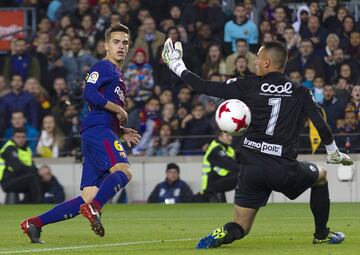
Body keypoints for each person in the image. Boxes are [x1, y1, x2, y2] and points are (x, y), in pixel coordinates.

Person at [162, 39, 353, 248]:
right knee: (322, 176)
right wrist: (333, 152)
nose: (255, 63)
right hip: (282, 168)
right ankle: (321, 234)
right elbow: (321, 125)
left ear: (267, 63)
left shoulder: (248, 85)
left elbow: (204, 86)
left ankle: (223, 232)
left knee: (240, 226)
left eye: (258, 59)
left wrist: (176, 65)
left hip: (250, 168)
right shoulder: (300, 92)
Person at [20, 22, 141, 244]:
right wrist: (120, 110)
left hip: (99, 130)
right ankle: (95, 209)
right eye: (116, 42)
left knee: (88, 195)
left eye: (125, 42)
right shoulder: (103, 67)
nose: (121, 46)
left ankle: (34, 224)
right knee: (124, 171)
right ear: (106, 46)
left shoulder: (117, 73)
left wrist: (121, 129)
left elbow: (101, 107)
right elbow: (90, 93)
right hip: (98, 130)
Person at [0, 127, 42, 204]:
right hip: (7, 181)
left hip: (19, 178)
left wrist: (39, 172)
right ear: (13, 137)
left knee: (41, 176)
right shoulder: (9, 149)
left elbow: (31, 166)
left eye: (23, 137)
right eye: (18, 137)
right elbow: (17, 168)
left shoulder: (27, 150)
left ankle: (29, 204)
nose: (21, 139)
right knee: (32, 177)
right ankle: (38, 203)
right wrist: (36, 171)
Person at [202, 131, 239, 202]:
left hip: (218, 180)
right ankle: (242, 203)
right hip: (210, 184)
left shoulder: (227, 148)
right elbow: (232, 165)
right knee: (242, 176)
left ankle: (241, 203)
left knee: (243, 174)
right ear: (220, 137)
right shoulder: (216, 149)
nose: (231, 138)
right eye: (227, 136)